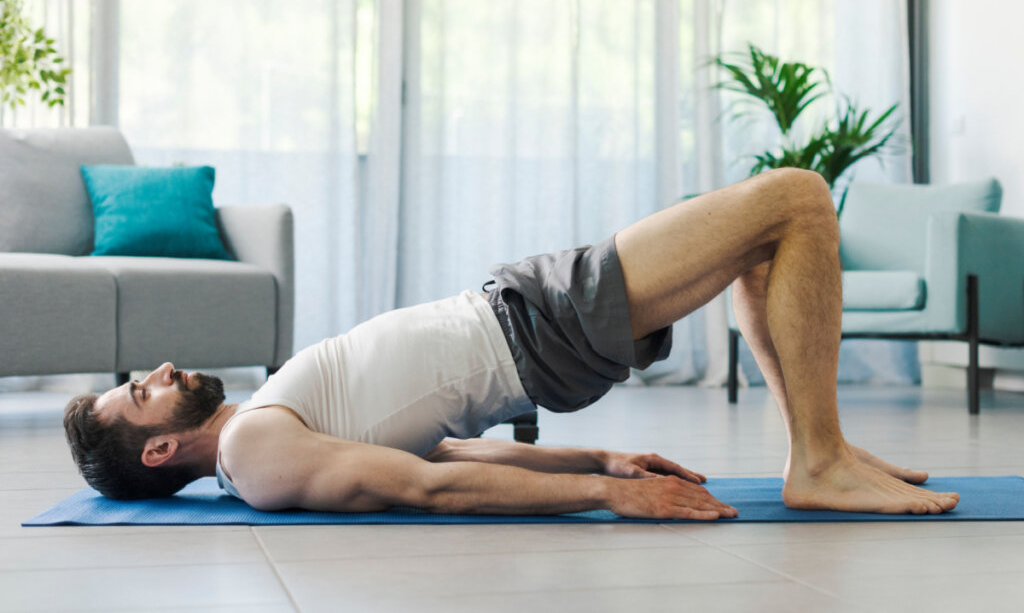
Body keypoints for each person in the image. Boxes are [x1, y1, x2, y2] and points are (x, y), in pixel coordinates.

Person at [63, 169, 960, 519]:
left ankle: (824, 447)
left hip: (526, 311)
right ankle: (819, 459)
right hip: (535, 327)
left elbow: (438, 442)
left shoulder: (267, 427)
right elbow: (429, 485)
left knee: (764, 239)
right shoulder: (256, 453)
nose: (160, 371)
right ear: (161, 446)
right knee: (795, 198)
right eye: (141, 392)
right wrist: (608, 495)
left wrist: (603, 454)